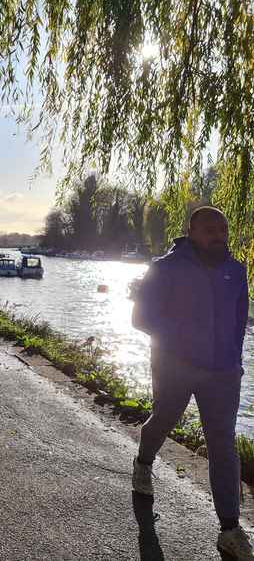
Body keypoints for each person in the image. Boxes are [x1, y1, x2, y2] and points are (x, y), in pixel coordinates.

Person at [131, 206, 251, 558]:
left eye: (223, 228)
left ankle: (229, 528)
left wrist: (235, 360)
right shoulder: (164, 268)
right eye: (210, 229)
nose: (219, 234)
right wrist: (184, 344)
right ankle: (143, 461)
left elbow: (240, 319)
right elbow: (141, 318)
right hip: (175, 366)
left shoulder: (235, 270)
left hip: (224, 373)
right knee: (164, 419)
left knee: (223, 446)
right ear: (192, 231)